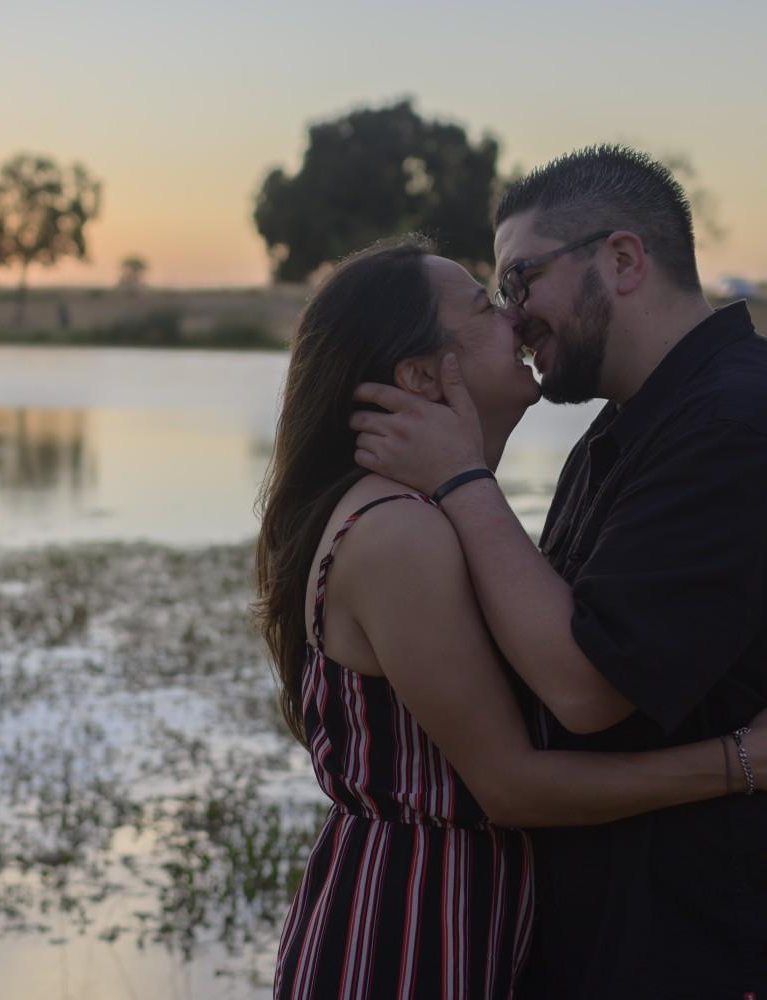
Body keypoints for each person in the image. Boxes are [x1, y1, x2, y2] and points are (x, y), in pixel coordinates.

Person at [255, 233, 767, 1000]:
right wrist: (742, 761)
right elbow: (512, 787)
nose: (516, 316)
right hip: (409, 933)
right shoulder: (402, 532)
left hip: (461, 911)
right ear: (423, 373)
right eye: (487, 302)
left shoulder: (440, 513)